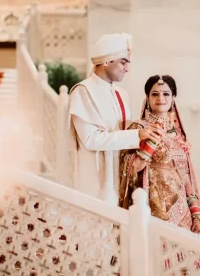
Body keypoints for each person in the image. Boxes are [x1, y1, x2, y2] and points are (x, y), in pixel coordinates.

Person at [68, 33, 165, 204]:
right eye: (123, 62)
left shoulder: (122, 95)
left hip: (123, 180)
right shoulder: (83, 91)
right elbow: (90, 139)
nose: (127, 69)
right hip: (95, 183)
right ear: (106, 61)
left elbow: (125, 133)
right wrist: (137, 135)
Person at [119, 76, 200, 234]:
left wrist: (196, 214)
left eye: (166, 94)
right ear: (147, 98)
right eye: (154, 94)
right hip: (153, 209)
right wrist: (149, 146)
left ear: (173, 98)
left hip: (181, 213)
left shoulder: (178, 135)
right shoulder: (139, 128)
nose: (161, 98)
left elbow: (186, 177)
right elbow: (130, 169)